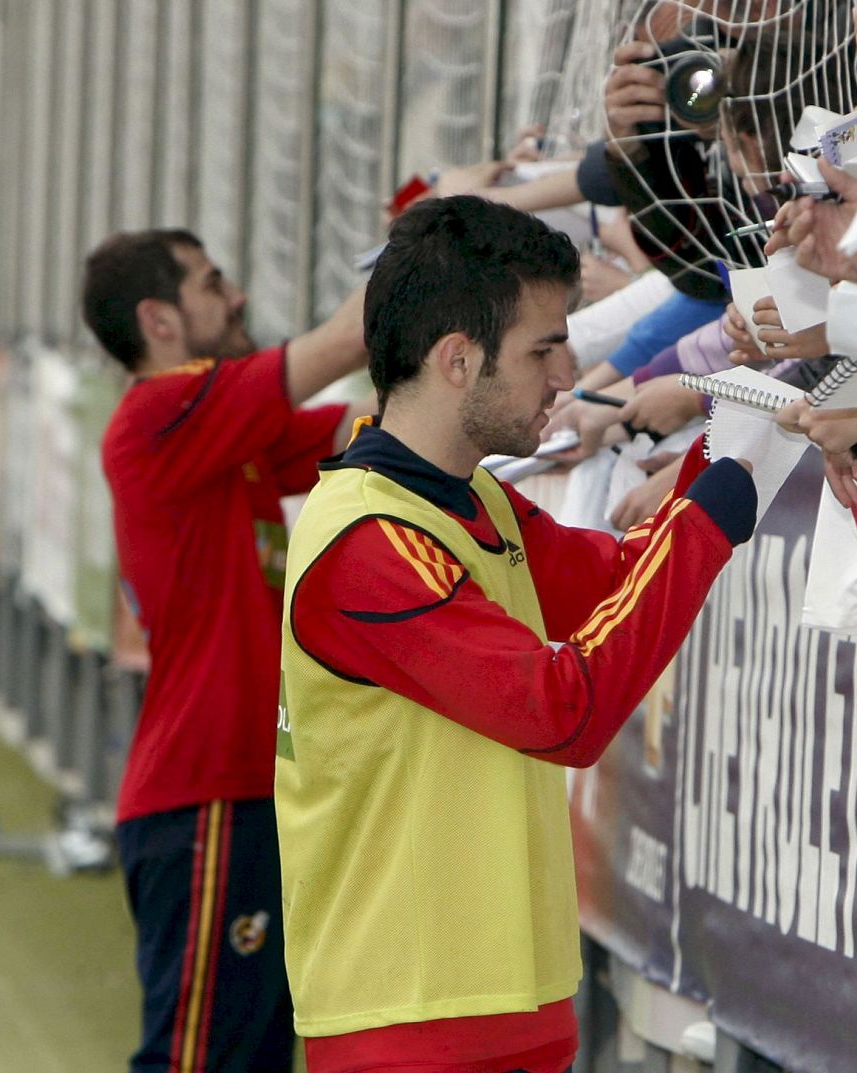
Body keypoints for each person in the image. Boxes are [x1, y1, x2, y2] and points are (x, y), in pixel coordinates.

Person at [274, 195, 755, 1073]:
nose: (567, 372)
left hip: (510, 1002)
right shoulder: (368, 541)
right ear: (459, 360)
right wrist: (706, 521)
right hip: (411, 1020)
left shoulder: (473, 498)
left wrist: (732, 439)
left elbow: (617, 582)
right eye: (544, 347)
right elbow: (560, 710)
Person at [85, 228, 368, 1071]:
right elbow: (344, 343)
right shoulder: (157, 413)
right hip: (204, 796)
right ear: (158, 320)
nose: (237, 296)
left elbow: (378, 432)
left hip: (243, 794)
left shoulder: (220, 434)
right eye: (214, 283)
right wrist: (443, 224)